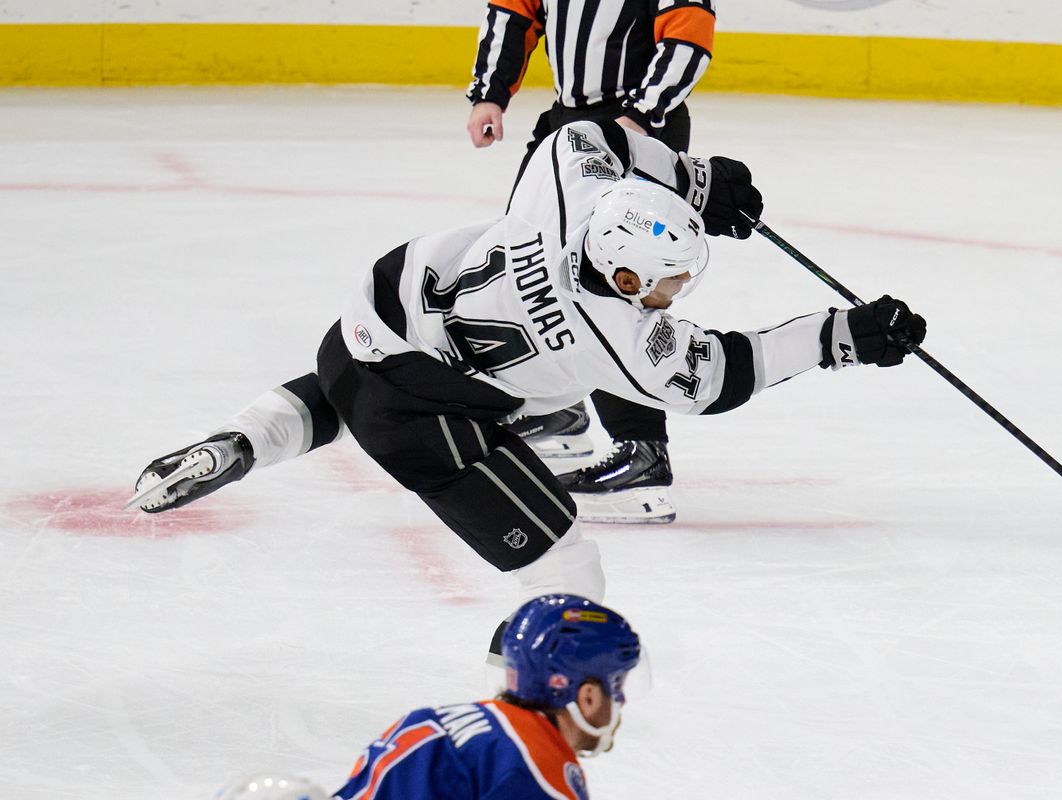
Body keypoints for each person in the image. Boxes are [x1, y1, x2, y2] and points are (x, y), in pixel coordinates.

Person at [130, 120, 926, 663]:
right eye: (667, 284)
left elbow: (590, 134)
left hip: (365, 325)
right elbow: (724, 374)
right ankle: (520, 712)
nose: (675, 296)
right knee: (569, 570)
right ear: (622, 276)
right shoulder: (622, 338)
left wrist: (690, 182)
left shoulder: (562, 187)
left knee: (361, 397)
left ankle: (241, 440)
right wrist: (841, 335)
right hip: (424, 415)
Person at [465, 0, 717, 524]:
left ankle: (641, 448)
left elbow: (688, 38)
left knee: (609, 285)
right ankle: (557, 407)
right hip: (566, 126)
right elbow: (514, 12)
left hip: (637, 134)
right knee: (526, 265)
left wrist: (641, 117)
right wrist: (491, 94)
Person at [216, 594, 641, 800]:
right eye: (614, 685)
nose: (617, 702)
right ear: (585, 696)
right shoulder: (535, 764)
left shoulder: (440, 718)